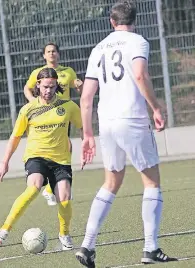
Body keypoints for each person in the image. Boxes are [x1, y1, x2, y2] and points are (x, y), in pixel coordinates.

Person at [75, 1, 177, 267]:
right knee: (152, 181)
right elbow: (140, 75)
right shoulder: (138, 42)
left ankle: (87, 245)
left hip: (106, 122)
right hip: (132, 118)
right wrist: (155, 107)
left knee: (111, 182)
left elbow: (86, 98)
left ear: (111, 21)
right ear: (135, 19)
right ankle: (150, 248)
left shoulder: (98, 48)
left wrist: (87, 134)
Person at [0, 68, 83, 251]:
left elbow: (84, 128)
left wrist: (86, 148)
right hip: (36, 156)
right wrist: (5, 160)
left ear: (57, 85)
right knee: (34, 186)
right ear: (38, 86)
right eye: (45, 87)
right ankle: (5, 229)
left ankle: (64, 235)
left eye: (52, 86)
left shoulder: (69, 107)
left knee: (64, 198)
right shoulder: (28, 110)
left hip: (60, 160)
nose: (48, 91)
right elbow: (15, 136)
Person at [24, 43, 83, 206]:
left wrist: (80, 86)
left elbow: (79, 88)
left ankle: (52, 188)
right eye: (48, 52)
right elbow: (27, 88)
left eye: (54, 51)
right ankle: (52, 186)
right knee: (62, 147)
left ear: (58, 54)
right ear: (44, 55)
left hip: (62, 114)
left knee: (66, 146)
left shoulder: (68, 72)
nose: (51, 54)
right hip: (45, 116)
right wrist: (34, 103)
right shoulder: (38, 73)